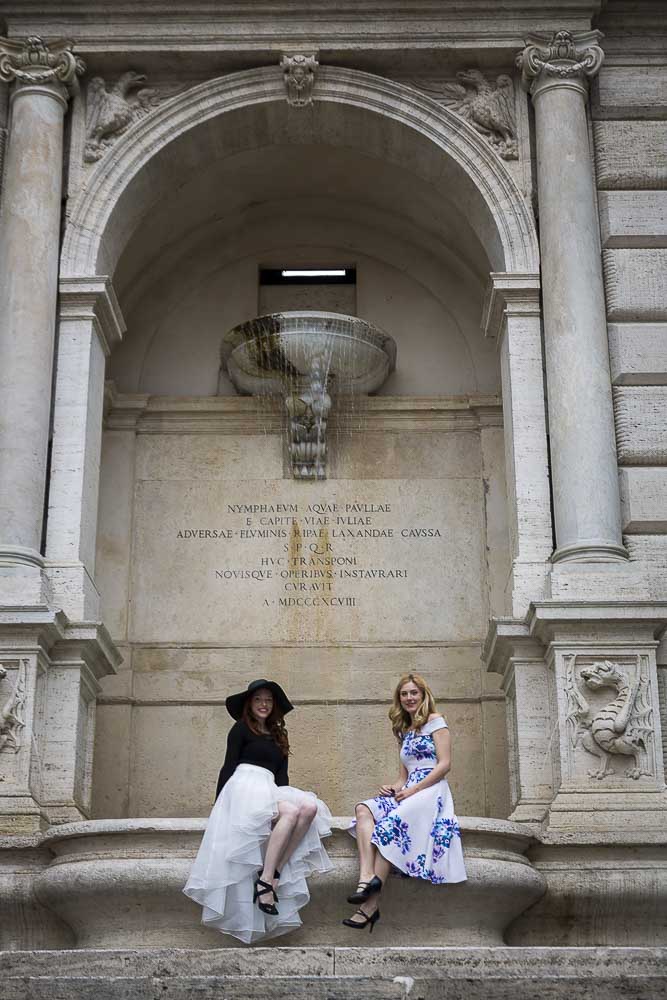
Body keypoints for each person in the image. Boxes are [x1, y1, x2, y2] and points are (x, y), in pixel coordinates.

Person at [183, 678, 332, 943]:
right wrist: (220, 806)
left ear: (273, 705)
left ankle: (272, 874)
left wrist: (282, 798)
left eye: (268, 700)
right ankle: (265, 882)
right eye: (258, 700)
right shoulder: (240, 730)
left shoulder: (279, 735)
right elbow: (227, 767)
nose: (263, 704)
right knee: (288, 813)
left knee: (308, 807)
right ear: (249, 704)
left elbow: (281, 779)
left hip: (268, 789)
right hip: (242, 788)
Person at [344, 672, 466, 932]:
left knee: (390, 826)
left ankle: (369, 907)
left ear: (423, 695)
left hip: (431, 791)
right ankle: (367, 878)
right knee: (364, 809)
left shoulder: (436, 721)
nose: (409, 698)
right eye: (404, 694)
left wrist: (412, 791)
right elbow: (403, 777)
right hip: (409, 790)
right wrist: (394, 787)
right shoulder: (404, 730)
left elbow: (444, 765)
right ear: (399, 699)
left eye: (414, 693)